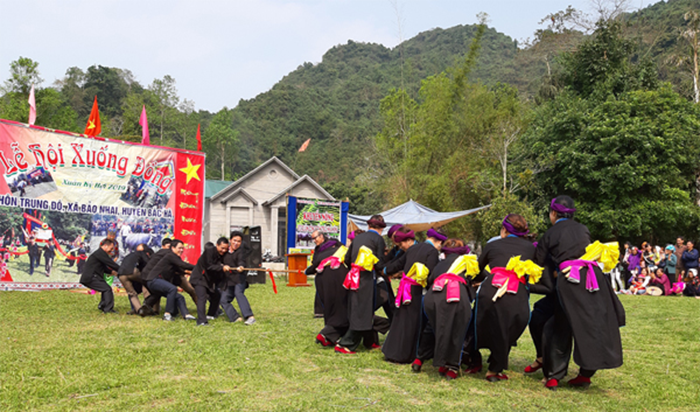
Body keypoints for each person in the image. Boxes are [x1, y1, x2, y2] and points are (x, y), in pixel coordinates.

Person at [534, 196, 625, 390]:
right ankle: (585, 374)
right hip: (593, 277)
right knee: (592, 325)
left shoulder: (550, 234)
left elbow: (537, 263)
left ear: (553, 213)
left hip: (570, 280)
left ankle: (553, 376)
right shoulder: (583, 229)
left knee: (560, 324)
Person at [465, 214, 544, 382]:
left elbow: (477, 269)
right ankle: (494, 368)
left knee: (487, 325)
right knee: (509, 328)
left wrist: (477, 281)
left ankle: (476, 361)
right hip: (517, 292)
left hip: (490, 290)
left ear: (504, 230)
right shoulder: (531, 248)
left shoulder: (492, 245)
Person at [413, 239, 474, 380]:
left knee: (434, 328)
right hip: (456, 297)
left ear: (444, 253)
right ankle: (451, 367)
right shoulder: (466, 264)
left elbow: (430, 281)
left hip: (433, 298)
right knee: (456, 331)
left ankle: (419, 360)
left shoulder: (440, 265)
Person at [380, 227, 439, 364]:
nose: (401, 248)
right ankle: (405, 354)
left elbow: (396, 265)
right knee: (412, 322)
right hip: (416, 290)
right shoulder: (431, 251)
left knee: (400, 319)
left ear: (409, 240)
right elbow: (431, 273)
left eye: (401, 245)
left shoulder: (412, 250)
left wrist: (383, 270)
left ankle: (391, 351)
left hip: (404, 289)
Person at [335, 215, 387, 354]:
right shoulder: (378, 239)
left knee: (359, 309)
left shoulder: (358, 238)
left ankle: (370, 341)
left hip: (353, 276)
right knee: (362, 311)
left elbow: (346, 258)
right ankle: (346, 343)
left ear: (369, 226)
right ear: (381, 228)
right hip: (366, 279)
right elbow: (380, 263)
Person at [305, 230, 349, 346]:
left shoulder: (335, 245)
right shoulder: (319, 250)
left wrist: (308, 271)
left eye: (315, 238)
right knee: (331, 305)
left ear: (321, 236)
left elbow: (315, 264)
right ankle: (330, 334)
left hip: (336, 279)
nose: (315, 241)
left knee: (338, 305)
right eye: (313, 239)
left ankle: (329, 333)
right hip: (328, 280)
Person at [144, 239, 196, 321]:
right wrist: (198, 267)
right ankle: (167, 314)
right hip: (153, 280)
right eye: (179, 248)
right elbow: (183, 265)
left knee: (180, 297)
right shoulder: (170, 255)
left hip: (157, 281)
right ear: (173, 248)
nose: (181, 250)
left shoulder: (173, 258)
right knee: (172, 288)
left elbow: (180, 269)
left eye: (182, 248)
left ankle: (186, 315)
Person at [190, 237, 231, 326]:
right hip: (199, 278)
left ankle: (211, 315)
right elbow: (209, 266)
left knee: (216, 295)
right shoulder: (209, 251)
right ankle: (201, 321)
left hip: (208, 281)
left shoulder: (223, 255)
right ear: (217, 245)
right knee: (202, 298)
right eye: (222, 248)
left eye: (226, 249)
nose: (223, 251)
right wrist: (221, 267)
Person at [221, 231, 256, 325]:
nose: (236, 243)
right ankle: (235, 317)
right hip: (229, 280)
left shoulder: (240, 252)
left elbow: (241, 261)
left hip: (239, 279)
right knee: (223, 300)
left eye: (239, 241)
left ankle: (250, 317)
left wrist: (241, 266)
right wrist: (222, 266)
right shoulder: (224, 252)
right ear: (230, 240)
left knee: (238, 293)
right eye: (234, 240)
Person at [79, 238, 121, 314]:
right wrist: (123, 270)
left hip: (91, 277)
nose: (111, 251)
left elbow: (103, 267)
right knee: (107, 289)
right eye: (111, 249)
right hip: (91, 277)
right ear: (105, 246)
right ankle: (108, 309)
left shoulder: (99, 254)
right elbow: (111, 264)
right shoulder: (100, 253)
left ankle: (102, 305)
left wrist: (112, 272)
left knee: (104, 288)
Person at [138, 238, 172, 316]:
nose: (169, 249)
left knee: (156, 292)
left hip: (149, 276)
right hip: (150, 277)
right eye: (168, 246)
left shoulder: (159, 254)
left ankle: (148, 308)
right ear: (163, 246)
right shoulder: (162, 254)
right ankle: (148, 307)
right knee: (157, 291)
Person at [117, 244, 153, 314]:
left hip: (121, 274)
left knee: (132, 294)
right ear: (148, 253)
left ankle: (139, 310)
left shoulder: (130, 254)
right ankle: (148, 305)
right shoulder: (143, 253)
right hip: (132, 271)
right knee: (146, 283)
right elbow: (148, 264)